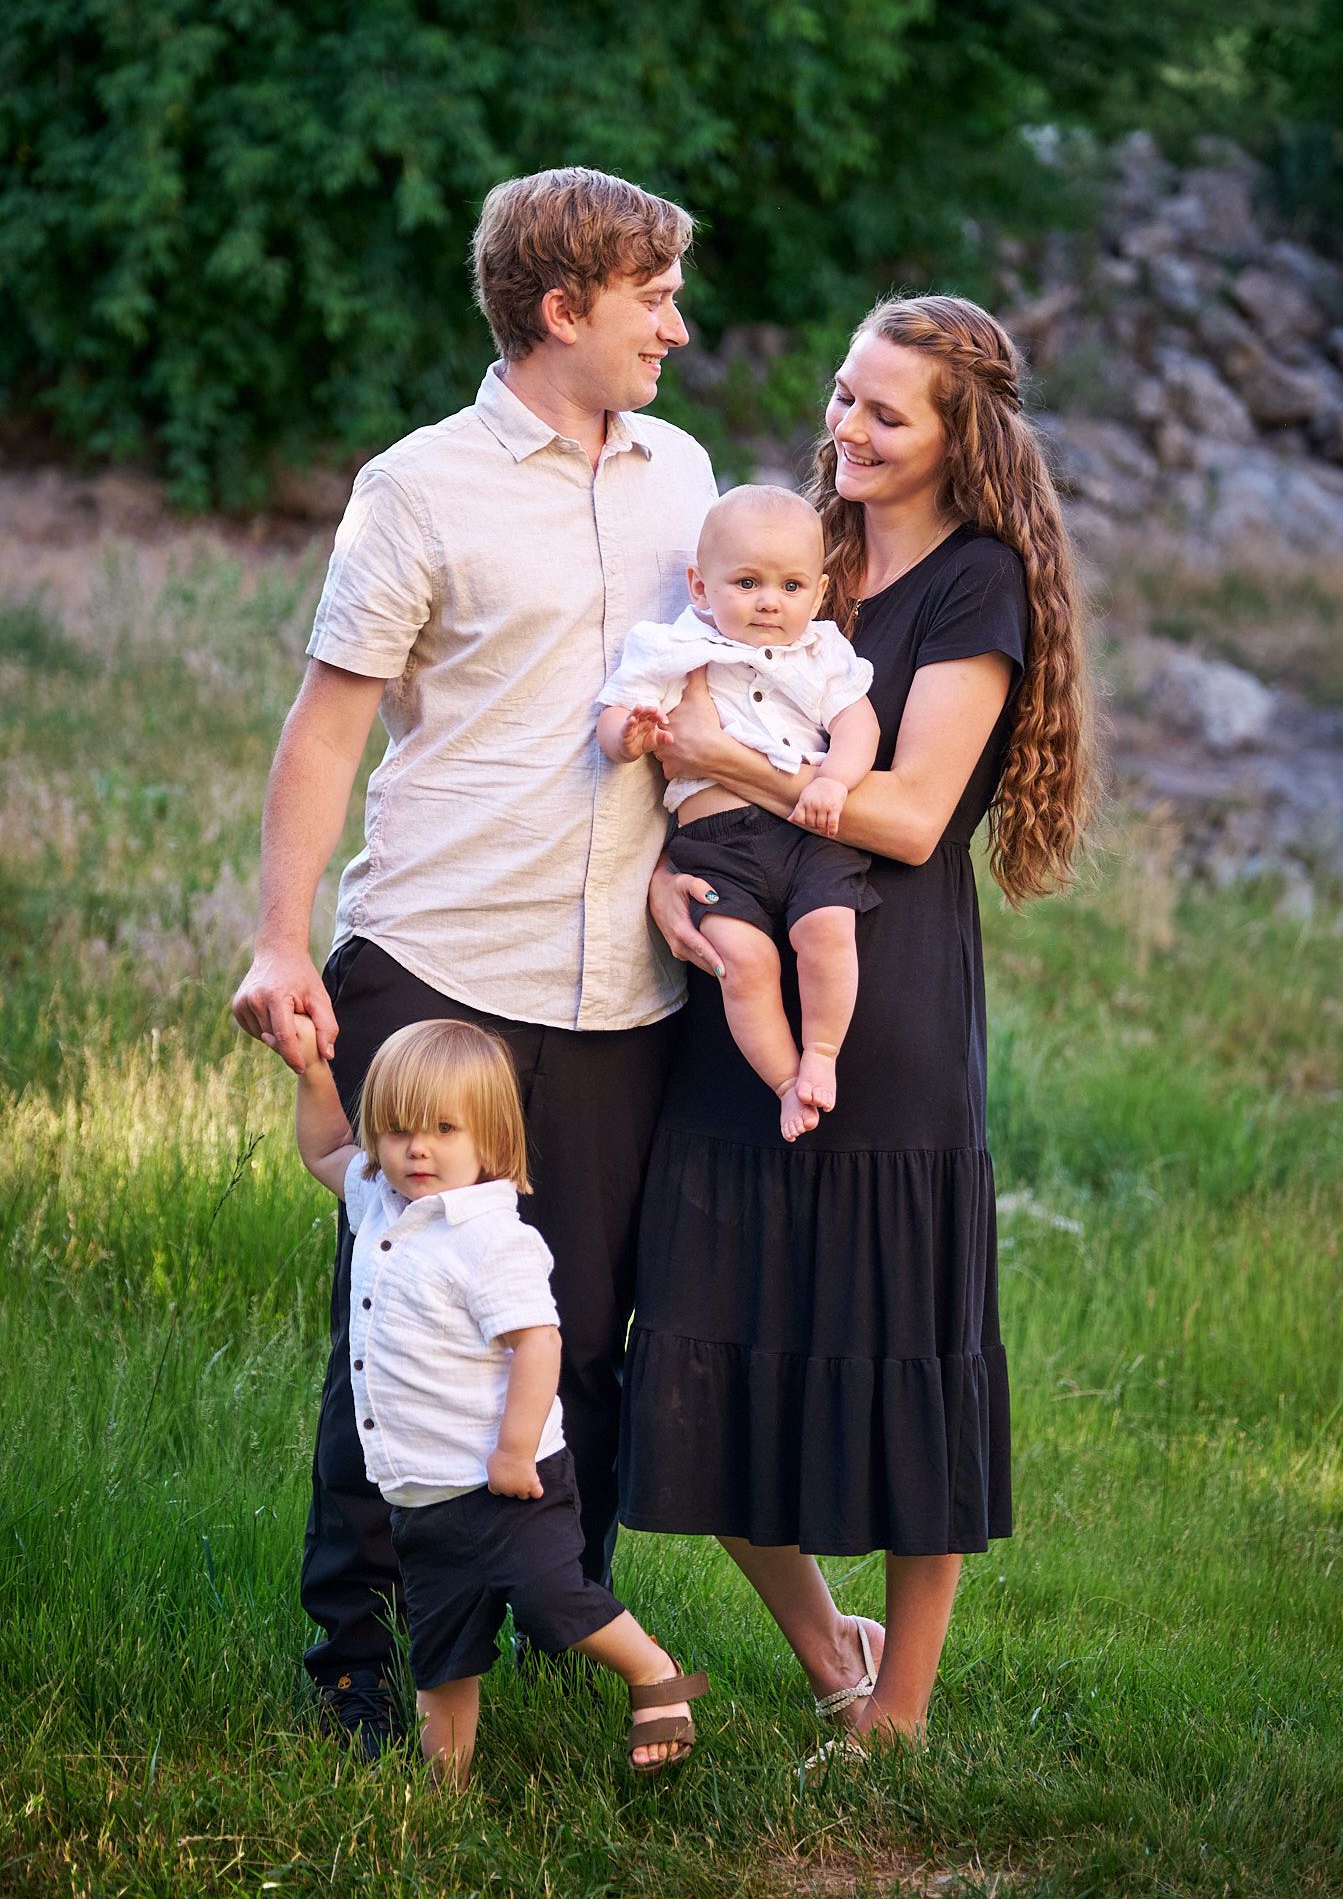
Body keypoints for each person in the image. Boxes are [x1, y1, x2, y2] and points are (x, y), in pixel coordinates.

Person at [231, 166, 719, 1753]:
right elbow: (330, 723)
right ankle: (361, 1667)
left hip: (621, 997)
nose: (677, 323)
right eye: (653, 296)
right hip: (437, 970)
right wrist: (280, 939)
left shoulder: (686, 475)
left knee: (580, 1340)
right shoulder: (418, 487)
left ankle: (534, 1632)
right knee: (406, 1331)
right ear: (561, 307)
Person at [626, 294, 1093, 1754]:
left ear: (964, 436)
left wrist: (721, 765)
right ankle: (831, 1649)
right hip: (731, 973)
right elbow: (665, 722)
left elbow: (902, 815)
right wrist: (664, 879)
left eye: (887, 413)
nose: (847, 428)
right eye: (841, 396)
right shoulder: (788, 553)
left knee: (900, 1338)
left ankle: (896, 1714)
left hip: (881, 997)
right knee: (699, 1329)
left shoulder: (973, 588)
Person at [289, 1013, 707, 1780]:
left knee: (551, 1603)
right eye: (397, 1129)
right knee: (443, 1661)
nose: (416, 1148)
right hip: (422, 1497)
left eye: (443, 1129)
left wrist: (515, 1449)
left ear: (489, 1141)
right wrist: (315, 1074)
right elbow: (322, 1147)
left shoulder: (493, 1239)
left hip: (509, 1483)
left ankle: (652, 1672)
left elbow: (537, 1342)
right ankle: (442, 1792)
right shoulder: (380, 1205)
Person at [596, 485, 880, 1142]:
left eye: (789, 586)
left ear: (817, 593)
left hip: (805, 831)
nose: (768, 602)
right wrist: (629, 737)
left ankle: (821, 1055)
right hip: (716, 844)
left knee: (828, 931)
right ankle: (786, 1082)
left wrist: (834, 780)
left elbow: (855, 724)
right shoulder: (672, 647)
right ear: (700, 586)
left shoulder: (821, 653)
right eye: (747, 582)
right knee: (742, 963)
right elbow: (614, 717)